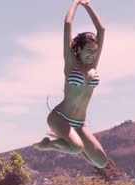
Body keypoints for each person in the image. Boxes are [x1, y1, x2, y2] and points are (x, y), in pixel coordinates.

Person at [33, 0, 108, 168]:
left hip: (79, 123)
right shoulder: (71, 63)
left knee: (101, 162)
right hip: (60, 117)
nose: (92, 54)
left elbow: (101, 30)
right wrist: (75, 3)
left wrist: (87, 5)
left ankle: (67, 138)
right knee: (76, 148)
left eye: (95, 51)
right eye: (89, 50)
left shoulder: (93, 66)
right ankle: (48, 145)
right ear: (79, 49)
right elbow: (68, 23)